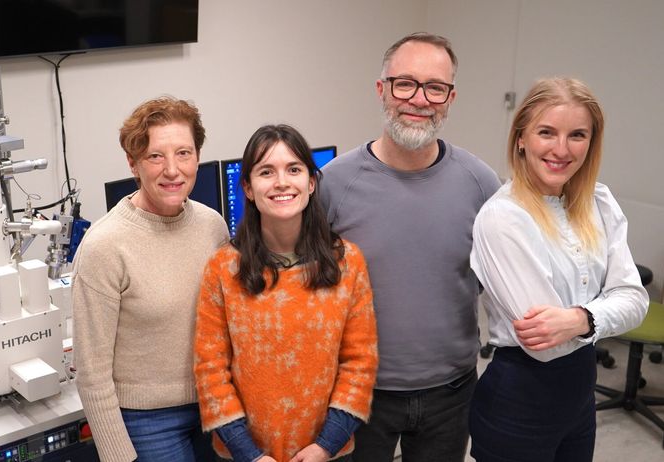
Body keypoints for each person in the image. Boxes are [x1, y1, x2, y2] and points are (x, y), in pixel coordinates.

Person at [319, 32, 502, 462]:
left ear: (450, 98)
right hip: (357, 394)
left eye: (435, 87)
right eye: (405, 83)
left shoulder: (481, 184)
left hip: (451, 393)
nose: (419, 99)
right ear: (381, 90)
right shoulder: (334, 184)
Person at [468, 77, 648, 461]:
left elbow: (635, 300)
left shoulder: (599, 202)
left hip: (579, 399)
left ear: (592, 142)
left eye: (577, 135)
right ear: (520, 137)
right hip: (518, 403)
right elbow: (545, 345)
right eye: (546, 132)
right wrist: (600, 314)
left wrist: (580, 318)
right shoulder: (503, 218)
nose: (561, 149)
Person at [194, 124, 378, 462]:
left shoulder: (348, 262)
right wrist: (249, 453)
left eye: (293, 169)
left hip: (329, 453)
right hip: (244, 455)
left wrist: (326, 445)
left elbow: (360, 364)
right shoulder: (223, 268)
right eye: (266, 171)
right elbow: (210, 371)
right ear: (248, 188)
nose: (281, 182)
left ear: (310, 182)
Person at [72, 96, 229, 462]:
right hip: (147, 423)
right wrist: (118, 456)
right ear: (134, 163)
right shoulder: (105, 245)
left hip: (215, 407)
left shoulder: (212, 226)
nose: (172, 170)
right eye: (156, 156)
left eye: (184, 153)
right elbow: (91, 372)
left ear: (197, 157)